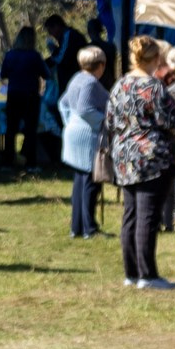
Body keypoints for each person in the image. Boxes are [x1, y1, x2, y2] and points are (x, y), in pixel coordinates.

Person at [105, 35, 175, 289]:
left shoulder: (120, 85)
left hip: (124, 156)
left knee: (131, 215)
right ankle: (147, 274)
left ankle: (131, 272)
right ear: (155, 59)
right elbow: (170, 122)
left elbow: (109, 120)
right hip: (152, 156)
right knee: (148, 217)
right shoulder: (154, 87)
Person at [59, 46, 110, 238]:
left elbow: (63, 103)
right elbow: (85, 109)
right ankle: (90, 228)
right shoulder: (90, 83)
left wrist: (69, 122)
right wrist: (104, 122)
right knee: (91, 183)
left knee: (80, 181)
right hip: (87, 136)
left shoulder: (76, 78)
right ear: (101, 65)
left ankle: (76, 227)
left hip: (74, 133)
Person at [1, 25, 47, 170]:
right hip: (31, 95)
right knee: (30, 130)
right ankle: (30, 162)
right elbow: (46, 74)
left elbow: (3, 74)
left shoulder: (10, 55)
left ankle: (8, 161)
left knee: (11, 129)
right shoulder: (34, 56)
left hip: (14, 94)